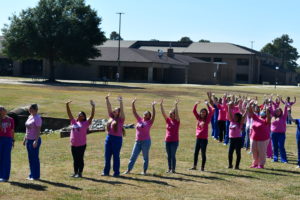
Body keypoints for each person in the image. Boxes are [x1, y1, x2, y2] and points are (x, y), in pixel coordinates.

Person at [124, 98, 156, 175]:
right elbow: (134, 112)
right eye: (144, 113)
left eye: (147, 113)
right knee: (133, 156)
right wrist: (132, 103)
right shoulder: (139, 120)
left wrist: (153, 106)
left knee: (145, 157)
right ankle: (128, 170)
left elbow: (154, 115)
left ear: (149, 116)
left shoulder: (149, 122)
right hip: (137, 141)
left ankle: (144, 171)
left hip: (146, 142)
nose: (145, 114)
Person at [66, 100, 95, 178]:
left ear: (84, 117)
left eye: (82, 115)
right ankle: (75, 172)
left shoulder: (85, 123)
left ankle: (80, 173)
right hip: (73, 144)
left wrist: (93, 107)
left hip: (81, 145)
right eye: (79, 115)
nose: (80, 116)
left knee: (80, 159)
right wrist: (67, 105)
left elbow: (92, 116)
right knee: (75, 159)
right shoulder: (73, 122)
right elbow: (69, 114)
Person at [190, 92, 214, 171]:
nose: (202, 113)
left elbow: (211, 111)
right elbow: (194, 111)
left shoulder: (207, 120)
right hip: (198, 138)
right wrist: (196, 104)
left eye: (204, 112)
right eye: (201, 112)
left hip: (204, 139)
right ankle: (194, 166)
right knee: (196, 153)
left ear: (206, 113)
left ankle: (202, 167)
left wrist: (207, 104)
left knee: (203, 153)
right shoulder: (198, 118)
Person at [103, 94, 125, 177]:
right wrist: (107, 99)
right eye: (114, 110)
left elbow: (122, 110)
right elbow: (109, 107)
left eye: (116, 110)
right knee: (107, 155)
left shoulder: (121, 119)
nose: (114, 111)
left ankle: (116, 172)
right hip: (109, 138)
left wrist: (121, 102)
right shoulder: (111, 117)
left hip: (117, 139)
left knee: (116, 156)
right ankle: (106, 172)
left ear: (119, 112)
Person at [160, 99, 180, 173]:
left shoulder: (177, 121)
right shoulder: (168, 120)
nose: (170, 115)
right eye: (170, 114)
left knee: (172, 155)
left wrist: (176, 105)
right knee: (168, 156)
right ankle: (169, 169)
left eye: (171, 114)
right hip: (167, 141)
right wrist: (161, 105)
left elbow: (177, 114)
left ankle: (173, 169)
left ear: (174, 115)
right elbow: (163, 113)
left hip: (174, 141)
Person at [227, 101, 248, 169]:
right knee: (230, 153)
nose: (234, 117)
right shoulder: (231, 121)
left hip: (238, 139)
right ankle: (230, 165)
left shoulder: (240, 123)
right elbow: (229, 113)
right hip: (231, 139)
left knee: (238, 153)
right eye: (234, 116)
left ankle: (237, 166)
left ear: (238, 118)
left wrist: (246, 110)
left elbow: (244, 116)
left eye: (236, 117)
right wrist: (229, 106)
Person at [249, 104, 271, 169]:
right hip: (253, 138)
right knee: (254, 151)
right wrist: (250, 105)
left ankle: (261, 164)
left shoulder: (266, 120)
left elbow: (269, 118)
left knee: (262, 152)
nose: (263, 112)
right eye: (262, 111)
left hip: (263, 139)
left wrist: (267, 110)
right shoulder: (256, 117)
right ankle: (255, 163)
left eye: (264, 111)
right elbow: (251, 112)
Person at [24, 104, 42, 180]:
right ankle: (31, 174)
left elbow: (38, 130)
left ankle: (36, 176)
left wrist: (36, 140)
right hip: (28, 139)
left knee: (34, 158)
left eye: (31, 109)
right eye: (29, 109)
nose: (30, 110)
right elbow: (27, 129)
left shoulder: (38, 118)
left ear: (36, 109)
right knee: (30, 158)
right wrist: (25, 138)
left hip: (34, 140)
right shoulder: (30, 116)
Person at [0, 106, 15, 182]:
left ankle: (5, 177)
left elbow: (12, 131)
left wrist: (13, 140)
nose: (1, 112)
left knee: (6, 158)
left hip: (7, 140)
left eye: (2, 110)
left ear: (5, 111)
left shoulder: (10, 120)